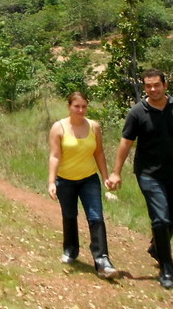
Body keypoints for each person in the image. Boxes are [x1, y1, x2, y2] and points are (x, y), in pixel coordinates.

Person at [106, 68, 173, 289]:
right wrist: (116, 172)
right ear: (144, 87)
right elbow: (125, 143)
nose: (153, 89)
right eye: (148, 86)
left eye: (157, 84)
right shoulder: (137, 112)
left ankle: (157, 247)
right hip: (148, 174)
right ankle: (167, 267)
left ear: (165, 85)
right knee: (160, 218)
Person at [48, 92, 118, 279]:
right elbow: (55, 156)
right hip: (65, 180)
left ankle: (102, 259)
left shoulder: (94, 126)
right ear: (69, 106)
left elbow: (99, 153)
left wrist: (105, 177)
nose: (80, 110)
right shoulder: (58, 128)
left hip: (89, 179)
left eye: (84, 106)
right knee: (69, 215)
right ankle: (71, 250)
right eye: (76, 106)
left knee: (96, 217)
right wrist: (51, 182)